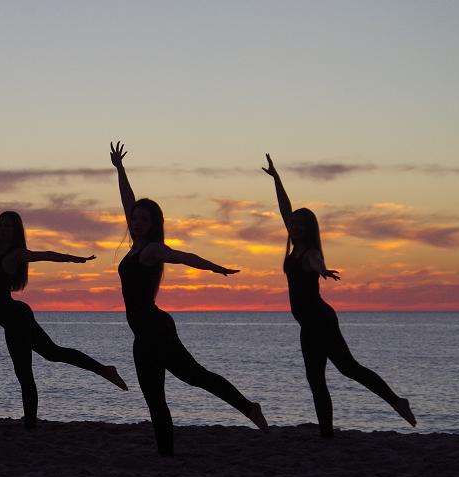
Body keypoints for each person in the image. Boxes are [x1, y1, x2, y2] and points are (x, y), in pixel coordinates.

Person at [110, 142, 267, 455]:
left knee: (195, 377)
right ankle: (166, 457)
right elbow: (129, 202)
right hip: (143, 334)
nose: (136, 220)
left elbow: (185, 256)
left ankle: (249, 408)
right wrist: (120, 170)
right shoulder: (134, 245)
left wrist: (215, 268)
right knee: (155, 397)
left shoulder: (152, 249)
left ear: (153, 224)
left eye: (143, 218)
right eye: (134, 218)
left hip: (156, 329)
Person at [262, 154, 415, 437]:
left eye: (299, 225)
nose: (293, 227)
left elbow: (317, 262)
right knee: (316, 379)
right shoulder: (294, 247)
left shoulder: (309, 253)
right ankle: (327, 436)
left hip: (321, 320)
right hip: (308, 324)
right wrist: (277, 178)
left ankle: (397, 401)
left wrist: (322, 271)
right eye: (292, 224)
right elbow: (285, 208)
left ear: (309, 230)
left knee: (348, 368)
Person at [0, 155, 127, 429]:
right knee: (44, 358)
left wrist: (74, 259)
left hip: (16, 317)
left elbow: (45, 255)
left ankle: (33, 424)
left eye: (8, 227)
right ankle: (100, 372)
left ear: (15, 233)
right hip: (11, 316)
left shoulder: (16, 254)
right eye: (1, 225)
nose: (2, 228)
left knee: (38, 363)